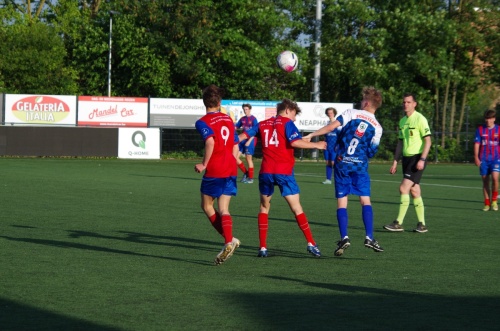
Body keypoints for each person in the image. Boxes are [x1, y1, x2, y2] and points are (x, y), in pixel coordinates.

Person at [239, 99, 326, 258]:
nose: (295, 118)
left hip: (266, 172)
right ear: (287, 110)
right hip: (284, 172)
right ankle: (311, 243)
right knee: (296, 208)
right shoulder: (287, 123)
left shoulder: (262, 124)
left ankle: (263, 248)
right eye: (294, 114)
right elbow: (295, 142)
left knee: (264, 208)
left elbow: (242, 136)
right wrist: (317, 145)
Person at [304, 86, 384, 256]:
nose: (361, 102)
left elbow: (331, 128)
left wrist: (312, 135)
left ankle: (344, 237)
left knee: (342, 201)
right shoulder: (377, 127)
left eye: (362, 99)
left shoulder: (351, 113)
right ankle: (369, 236)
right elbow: (372, 151)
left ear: (367, 102)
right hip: (360, 166)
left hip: (342, 163)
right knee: (365, 200)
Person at [194, 84, 240, 265]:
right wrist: (232, 161)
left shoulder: (202, 121)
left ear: (204, 103)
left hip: (215, 169)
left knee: (207, 206)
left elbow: (210, 142)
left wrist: (204, 164)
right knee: (224, 209)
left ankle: (229, 240)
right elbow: (236, 146)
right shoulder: (229, 120)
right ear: (219, 102)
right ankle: (230, 240)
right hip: (230, 168)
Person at [383, 93, 431, 233]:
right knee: (414, 190)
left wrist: (422, 159)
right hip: (406, 159)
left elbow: (428, 141)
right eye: (404, 102)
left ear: (414, 104)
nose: (406, 104)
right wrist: (395, 162)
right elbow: (400, 143)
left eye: (409, 102)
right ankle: (422, 224)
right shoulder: (402, 121)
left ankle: (398, 222)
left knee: (403, 188)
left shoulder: (420, 119)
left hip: (417, 158)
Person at [473, 110, 500, 211]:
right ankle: (487, 203)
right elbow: (477, 144)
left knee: (495, 178)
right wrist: (476, 157)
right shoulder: (480, 130)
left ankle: (494, 200)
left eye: (490, 119)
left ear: (494, 119)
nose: (488, 121)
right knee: (485, 181)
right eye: (486, 119)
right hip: (484, 159)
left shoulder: (499, 130)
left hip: (496, 159)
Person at [235, 103, 258, 183]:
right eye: (244, 109)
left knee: (248, 159)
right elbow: (236, 127)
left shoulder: (253, 119)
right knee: (235, 157)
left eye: (247, 109)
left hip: (250, 140)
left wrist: (249, 141)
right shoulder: (242, 119)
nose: (245, 111)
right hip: (242, 140)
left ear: (250, 109)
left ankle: (251, 179)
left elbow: (255, 131)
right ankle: (246, 173)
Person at [322, 107, 340, 184]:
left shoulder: (337, 124)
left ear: (334, 113)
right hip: (327, 146)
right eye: (328, 113)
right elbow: (325, 135)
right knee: (328, 162)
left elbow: (340, 136)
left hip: (334, 146)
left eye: (331, 113)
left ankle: (338, 178)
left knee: (334, 163)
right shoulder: (327, 124)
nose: (330, 114)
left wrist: (338, 145)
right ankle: (328, 179)